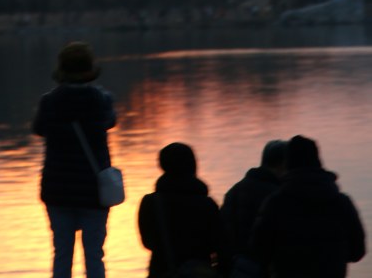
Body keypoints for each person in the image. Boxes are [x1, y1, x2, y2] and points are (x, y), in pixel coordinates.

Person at [33, 41, 117, 278]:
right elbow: (111, 122)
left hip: (58, 189)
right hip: (94, 190)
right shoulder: (103, 100)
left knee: (61, 254)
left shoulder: (49, 102)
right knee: (94, 255)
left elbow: (38, 129)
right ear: (89, 70)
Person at [250, 134, 366, 278]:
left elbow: (259, 251)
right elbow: (357, 251)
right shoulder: (342, 202)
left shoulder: (275, 204)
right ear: (317, 160)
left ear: (288, 164)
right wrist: (333, 256)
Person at [138, 142, 230, 278]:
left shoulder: (151, 202)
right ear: (192, 165)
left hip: (161, 270)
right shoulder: (207, 204)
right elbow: (220, 245)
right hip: (200, 271)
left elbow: (147, 242)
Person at [221, 139, 287, 269]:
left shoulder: (233, 191)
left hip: (234, 267)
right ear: (282, 164)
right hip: (262, 267)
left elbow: (222, 231)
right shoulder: (278, 196)